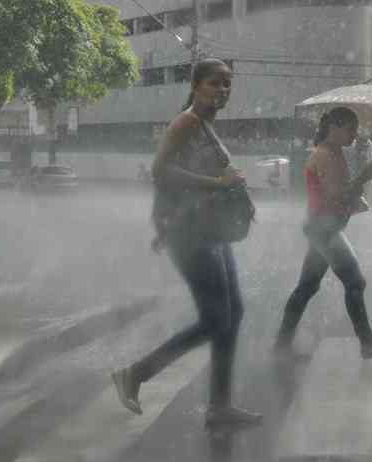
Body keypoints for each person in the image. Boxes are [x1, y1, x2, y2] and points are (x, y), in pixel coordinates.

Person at [112, 59, 262, 427]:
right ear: (196, 85)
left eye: (228, 84)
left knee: (232, 314)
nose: (223, 90)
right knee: (215, 320)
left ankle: (219, 406)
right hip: (191, 235)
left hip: (209, 230)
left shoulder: (206, 126)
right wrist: (220, 184)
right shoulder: (187, 122)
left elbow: (196, 176)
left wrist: (230, 185)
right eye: (215, 83)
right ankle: (135, 374)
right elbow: (161, 171)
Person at [273, 107, 372, 360]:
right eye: (351, 129)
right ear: (335, 128)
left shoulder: (335, 153)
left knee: (307, 287)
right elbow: (336, 196)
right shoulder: (324, 155)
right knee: (355, 282)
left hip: (323, 227)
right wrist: (364, 176)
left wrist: (359, 184)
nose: (355, 134)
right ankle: (368, 343)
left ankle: (281, 344)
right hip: (325, 229)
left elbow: (341, 193)